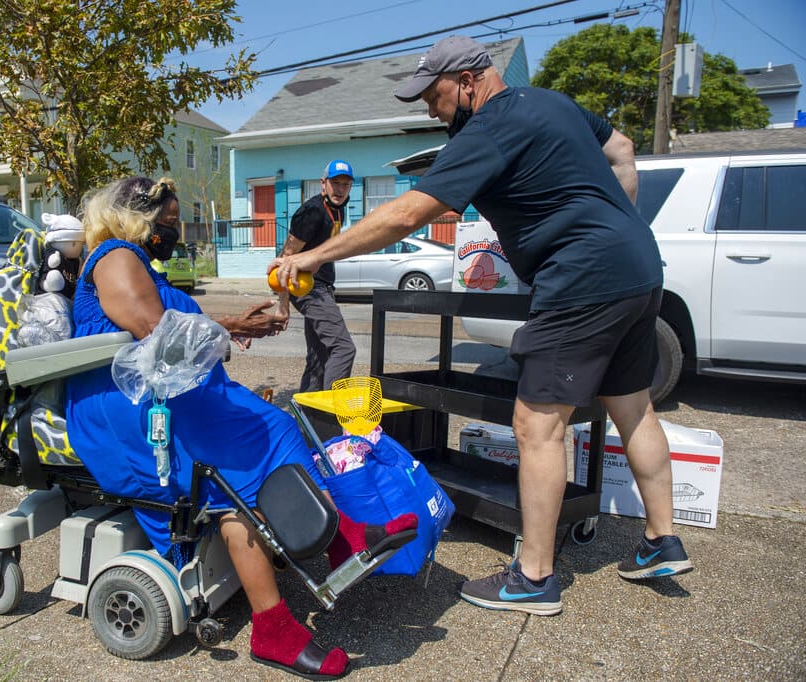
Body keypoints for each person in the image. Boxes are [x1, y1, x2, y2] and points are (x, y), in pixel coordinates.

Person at [269, 35, 692, 617]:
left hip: (582, 279)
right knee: (634, 407)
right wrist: (614, 227)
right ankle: (661, 541)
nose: (428, 109)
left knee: (537, 424)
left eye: (434, 96)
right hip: (640, 269)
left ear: (469, 81)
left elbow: (409, 212)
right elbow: (620, 148)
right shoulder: (552, 102)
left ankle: (535, 576)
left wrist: (314, 257)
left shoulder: (488, 127)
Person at [65, 176, 417, 678]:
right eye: (168, 220)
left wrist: (230, 322)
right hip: (126, 410)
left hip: (166, 396)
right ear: (135, 217)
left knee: (275, 425)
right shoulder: (115, 256)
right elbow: (154, 330)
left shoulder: (141, 262)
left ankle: (342, 539)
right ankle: (275, 621)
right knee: (236, 469)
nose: (175, 229)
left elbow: (169, 321)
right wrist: (231, 328)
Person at [279, 160, 357, 392]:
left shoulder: (338, 207)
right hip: (307, 287)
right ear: (323, 184)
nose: (340, 189)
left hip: (322, 287)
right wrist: (282, 304)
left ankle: (307, 422)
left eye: (346, 184)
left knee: (319, 359)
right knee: (343, 349)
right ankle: (331, 415)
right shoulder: (312, 211)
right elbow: (286, 255)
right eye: (335, 183)